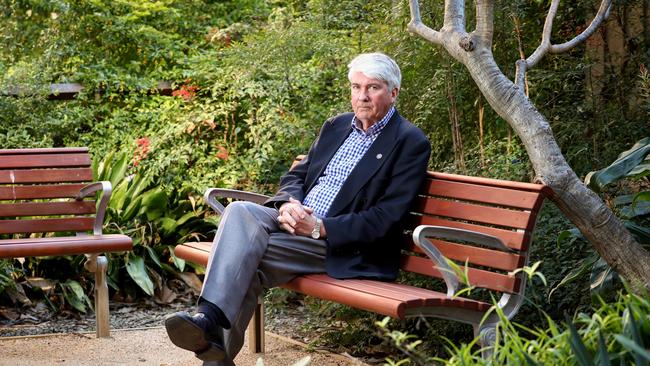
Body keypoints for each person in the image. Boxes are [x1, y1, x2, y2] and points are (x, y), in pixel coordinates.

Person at [164, 52, 431, 365]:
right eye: (356, 87)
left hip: (339, 244)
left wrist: (319, 227)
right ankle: (209, 317)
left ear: (393, 92)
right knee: (239, 212)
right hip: (294, 223)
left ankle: (211, 340)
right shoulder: (337, 126)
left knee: (251, 258)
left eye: (372, 88)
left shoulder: (409, 142)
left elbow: (387, 217)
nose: (362, 96)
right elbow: (296, 176)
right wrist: (290, 204)